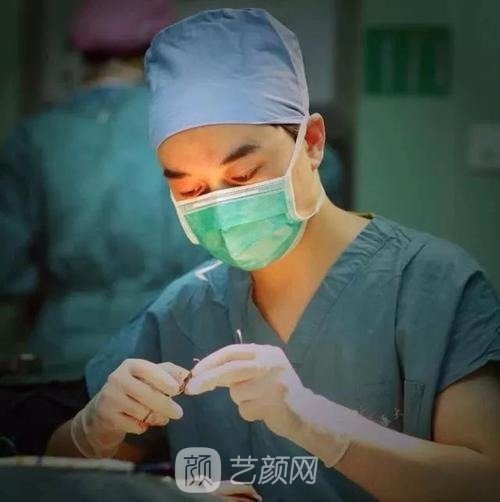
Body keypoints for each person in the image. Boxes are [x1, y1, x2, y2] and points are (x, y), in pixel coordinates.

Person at [48, 9, 500, 501]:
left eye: (243, 176)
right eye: (192, 189)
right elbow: (59, 475)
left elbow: (485, 482)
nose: (222, 206)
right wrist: (90, 432)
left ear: (312, 142)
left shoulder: (433, 286)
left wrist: (319, 425)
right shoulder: (185, 311)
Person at [0, 0, 208, 455]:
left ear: (79, 50)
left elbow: (7, 268)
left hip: (57, 357)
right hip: (164, 361)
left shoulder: (35, 136)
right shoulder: (183, 127)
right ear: (157, 50)